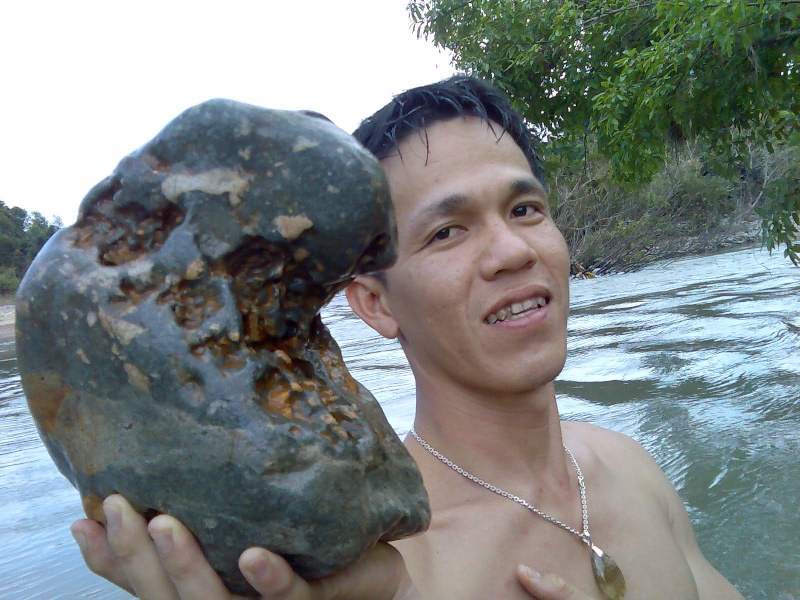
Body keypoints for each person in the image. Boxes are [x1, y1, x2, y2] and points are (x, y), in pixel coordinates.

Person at [70, 76, 745, 600]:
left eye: (524, 209)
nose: (511, 250)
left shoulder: (628, 467)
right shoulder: (369, 563)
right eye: (446, 231)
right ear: (372, 302)